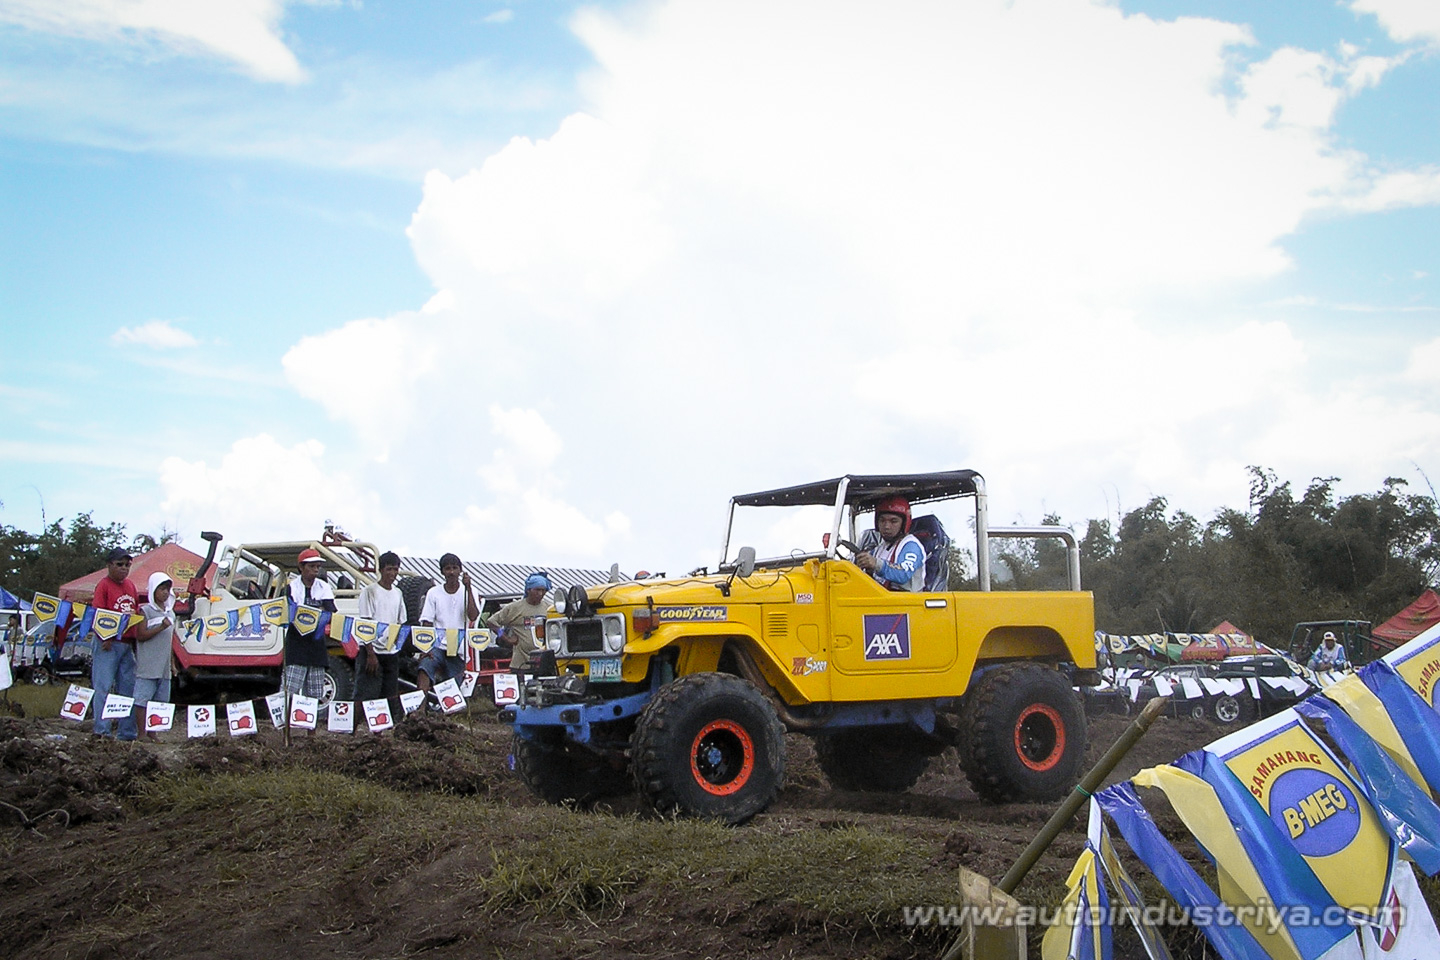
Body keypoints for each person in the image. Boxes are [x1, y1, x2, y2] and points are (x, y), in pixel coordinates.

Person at [282, 548, 338, 731]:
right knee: (290, 690)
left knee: (314, 692)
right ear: (301, 567)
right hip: (296, 645)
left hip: (316, 645)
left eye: (318, 566)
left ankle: (311, 731)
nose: (316, 570)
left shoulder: (324, 587)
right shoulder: (290, 587)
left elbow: (331, 611)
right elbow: (289, 612)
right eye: (312, 566)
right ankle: (287, 729)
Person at [91, 547, 140, 740]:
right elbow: (97, 614)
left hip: (127, 643)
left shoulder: (131, 586)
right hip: (108, 643)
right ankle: (102, 731)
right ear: (109, 565)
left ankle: (127, 732)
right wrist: (106, 637)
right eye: (119, 564)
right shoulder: (103, 585)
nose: (124, 568)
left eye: (127, 565)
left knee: (127, 689)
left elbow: (135, 613)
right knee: (103, 687)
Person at [417, 552, 479, 696]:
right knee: (424, 669)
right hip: (437, 645)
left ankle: (446, 715)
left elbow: (473, 615)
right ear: (442, 572)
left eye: (454, 568)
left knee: (452, 689)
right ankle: (419, 709)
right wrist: (426, 648)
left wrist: (468, 588)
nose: (451, 572)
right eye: (447, 569)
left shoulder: (470, 591)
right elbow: (427, 621)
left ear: (460, 570)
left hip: (458, 647)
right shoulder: (433, 593)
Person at [355, 551, 404, 713]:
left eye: (395, 570)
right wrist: (370, 653)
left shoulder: (398, 593)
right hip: (371, 650)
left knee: (389, 694)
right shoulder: (369, 591)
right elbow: (365, 625)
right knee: (366, 693)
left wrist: (396, 647)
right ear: (381, 570)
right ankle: (353, 729)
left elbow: (400, 622)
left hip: (391, 652)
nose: (392, 574)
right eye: (389, 569)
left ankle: (381, 732)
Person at [133, 573, 176, 742]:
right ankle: (141, 734)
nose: (165, 593)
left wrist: (172, 663)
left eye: (167, 589)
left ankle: (153, 733)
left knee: (159, 702)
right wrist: (160, 626)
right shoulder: (145, 611)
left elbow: (170, 640)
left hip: (164, 665)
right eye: (161, 589)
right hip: (148, 664)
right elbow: (141, 635)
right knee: (142, 699)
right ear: (153, 590)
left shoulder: (170, 613)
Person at [854, 495, 926, 592]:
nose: (887, 526)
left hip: (907, 604)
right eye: (882, 520)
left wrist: (876, 564)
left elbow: (903, 574)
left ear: (904, 523)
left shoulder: (911, 545)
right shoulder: (879, 548)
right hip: (884, 601)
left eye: (893, 521)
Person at [489, 572, 552, 671]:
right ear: (529, 590)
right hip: (520, 665)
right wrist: (507, 638)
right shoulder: (515, 607)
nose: (540, 594)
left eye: (543, 590)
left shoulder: (549, 608)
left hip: (544, 663)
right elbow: (491, 622)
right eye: (537, 590)